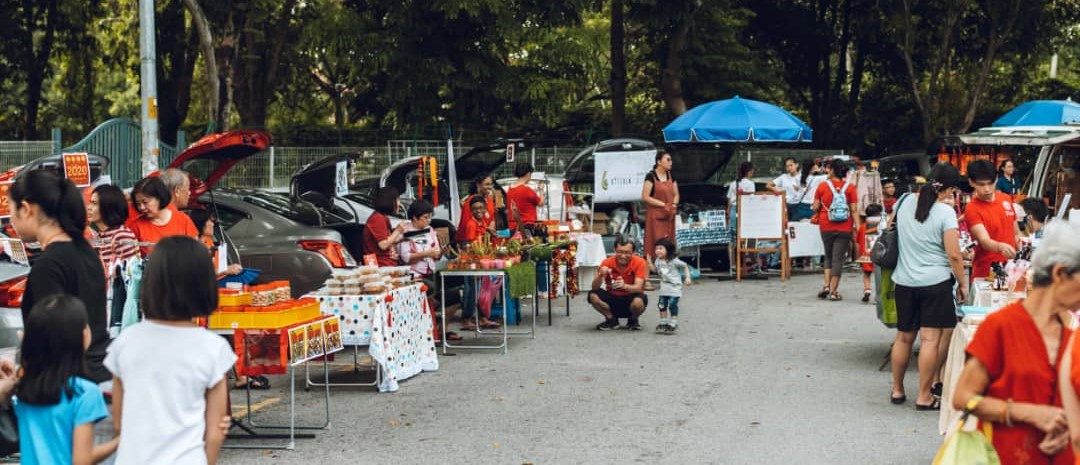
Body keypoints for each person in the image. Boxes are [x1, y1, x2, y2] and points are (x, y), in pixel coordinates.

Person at [104, 236, 236, 465]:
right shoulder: (213, 348)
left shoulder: (125, 342)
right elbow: (215, 430)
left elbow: (119, 422)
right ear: (204, 285)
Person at [955, 224, 1079, 464]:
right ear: (1060, 274)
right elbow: (962, 397)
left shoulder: (1070, 332)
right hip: (1004, 455)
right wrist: (1025, 412)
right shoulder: (1000, 327)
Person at [8, 169, 111, 383]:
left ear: (26, 209)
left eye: (11, 210)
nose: (10, 220)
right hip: (98, 376)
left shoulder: (48, 266)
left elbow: (52, 339)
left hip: (66, 386)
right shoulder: (86, 251)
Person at [888, 162, 967, 410]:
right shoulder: (945, 213)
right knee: (930, 339)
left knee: (903, 338)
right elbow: (954, 254)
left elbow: (892, 226)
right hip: (935, 283)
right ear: (948, 190)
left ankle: (897, 389)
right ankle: (924, 395)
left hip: (904, 280)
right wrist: (962, 283)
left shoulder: (903, 201)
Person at [6, 295, 118, 464]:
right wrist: (119, 440)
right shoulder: (84, 392)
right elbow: (82, 459)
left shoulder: (24, 388)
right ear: (83, 336)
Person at [964, 159, 1020, 280]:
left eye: (991, 183)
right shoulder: (972, 208)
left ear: (996, 179)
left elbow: (1015, 232)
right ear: (971, 182)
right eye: (981, 184)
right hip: (985, 274)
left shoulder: (1006, 199)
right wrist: (1001, 247)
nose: (987, 189)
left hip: (1011, 271)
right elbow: (984, 240)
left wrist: (1020, 252)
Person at [812, 158, 859, 301]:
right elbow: (854, 209)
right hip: (844, 227)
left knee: (828, 255)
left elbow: (815, 207)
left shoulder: (822, 186)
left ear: (832, 170)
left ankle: (826, 286)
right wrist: (857, 226)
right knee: (838, 259)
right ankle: (834, 292)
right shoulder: (850, 188)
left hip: (826, 225)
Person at [456, 196, 499, 331]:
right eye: (474, 209)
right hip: (472, 262)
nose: (478, 211)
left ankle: (483, 318)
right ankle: (466, 319)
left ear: (485, 209)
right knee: (472, 290)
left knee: (483, 290)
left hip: (481, 261)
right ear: (470, 210)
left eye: (480, 208)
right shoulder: (471, 224)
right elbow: (469, 245)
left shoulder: (483, 222)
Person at [589, 235, 648, 331]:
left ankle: (633, 320)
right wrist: (600, 275)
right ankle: (611, 320)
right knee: (593, 295)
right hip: (612, 297)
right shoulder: (607, 262)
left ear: (633, 252)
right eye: (620, 252)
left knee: (639, 302)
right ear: (614, 250)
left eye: (627, 253)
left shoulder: (640, 262)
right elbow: (594, 287)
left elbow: (638, 287)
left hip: (631, 297)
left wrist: (625, 286)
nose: (623, 256)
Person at [128, 176, 198, 256]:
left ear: (159, 197)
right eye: (138, 204)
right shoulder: (135, 227)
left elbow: (196, 251)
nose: (141, 207)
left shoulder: (183, 220)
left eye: (145, 202)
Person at [87, 184, 139, 279]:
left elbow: (130, 276)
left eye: (94, 203)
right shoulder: (100, 235)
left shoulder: (121, 236)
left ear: (108, 207)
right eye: (90, 202)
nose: (89, 208)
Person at [642, 151, 680, 263]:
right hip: (655, 216)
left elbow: (676, 194)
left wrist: (673, 204)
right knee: (653, 243)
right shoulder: (650, 176)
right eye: (667, 159)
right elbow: (645, 197)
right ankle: (647, 272)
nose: (670, 162)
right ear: (659, 161)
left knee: (668, 243)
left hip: (668, 215)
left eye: (671, 160)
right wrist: (663, 204)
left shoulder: (671, 175)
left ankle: (667, 270)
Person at [648, 238, 691, 334]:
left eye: (660, 248)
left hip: (675, 287)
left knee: (672, 304)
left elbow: (685, 266)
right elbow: (656, 271)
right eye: (656, 249)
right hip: (664, 287)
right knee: (661, 304)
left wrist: (687, 278)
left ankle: (673, 323)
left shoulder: (674, 261)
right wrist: (650, 264)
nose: (657, 251)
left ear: (668, 249)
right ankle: (663, 323)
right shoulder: (658, 261)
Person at [187, 209, 243, 279]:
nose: (213, 224)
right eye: (210, 221)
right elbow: (201, 273)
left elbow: (217, 267)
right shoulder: (192, 246)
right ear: (201, 223)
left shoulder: (209, 241)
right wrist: (226, 270)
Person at [362, 187, 408, 267]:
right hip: (380, 264)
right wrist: (398, 230)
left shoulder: (383, 217)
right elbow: (383, 245)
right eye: (397, 200)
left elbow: (388, 240)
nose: (399, 204)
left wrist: (401, 239)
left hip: (387, 262)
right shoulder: (377, 219)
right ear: (390, 201)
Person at [855, 203, 883, 303]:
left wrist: (858, 256)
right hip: (878, 256)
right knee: (879, 276)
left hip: (865, 255)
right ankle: (878, 296)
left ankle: (867, 290)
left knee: (867, 274)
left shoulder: (863, 226)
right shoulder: (881, 226)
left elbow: (858, 242)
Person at [506, 162, 543, 231]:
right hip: (526, 227)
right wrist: (541, 189)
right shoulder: (526, 190)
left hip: (513, 227)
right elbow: (541, 203)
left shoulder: (510, 189)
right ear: (528, 174)